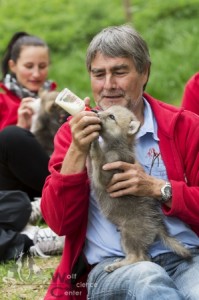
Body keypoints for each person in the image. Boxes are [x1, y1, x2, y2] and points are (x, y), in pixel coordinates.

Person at [41, 25, 199, 300]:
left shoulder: (185, 126)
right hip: (115, 267)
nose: (108, 85)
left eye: (120, 71)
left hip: (186, 259)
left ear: (145, 72)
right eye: (98, 74)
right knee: (148, 280)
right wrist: (78, 150)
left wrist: (159, 188)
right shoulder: (73, 134)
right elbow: (59, 222)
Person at [0, 32, 65, 262]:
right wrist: (21, 127)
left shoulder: (56, 100)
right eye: (29, 66)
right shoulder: (2, 101)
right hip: (10, 186)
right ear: (13, 65)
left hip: (48, 175)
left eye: (42, 66)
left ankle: (40, 205)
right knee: (11, 136)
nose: (36, 74)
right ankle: (35, 212)